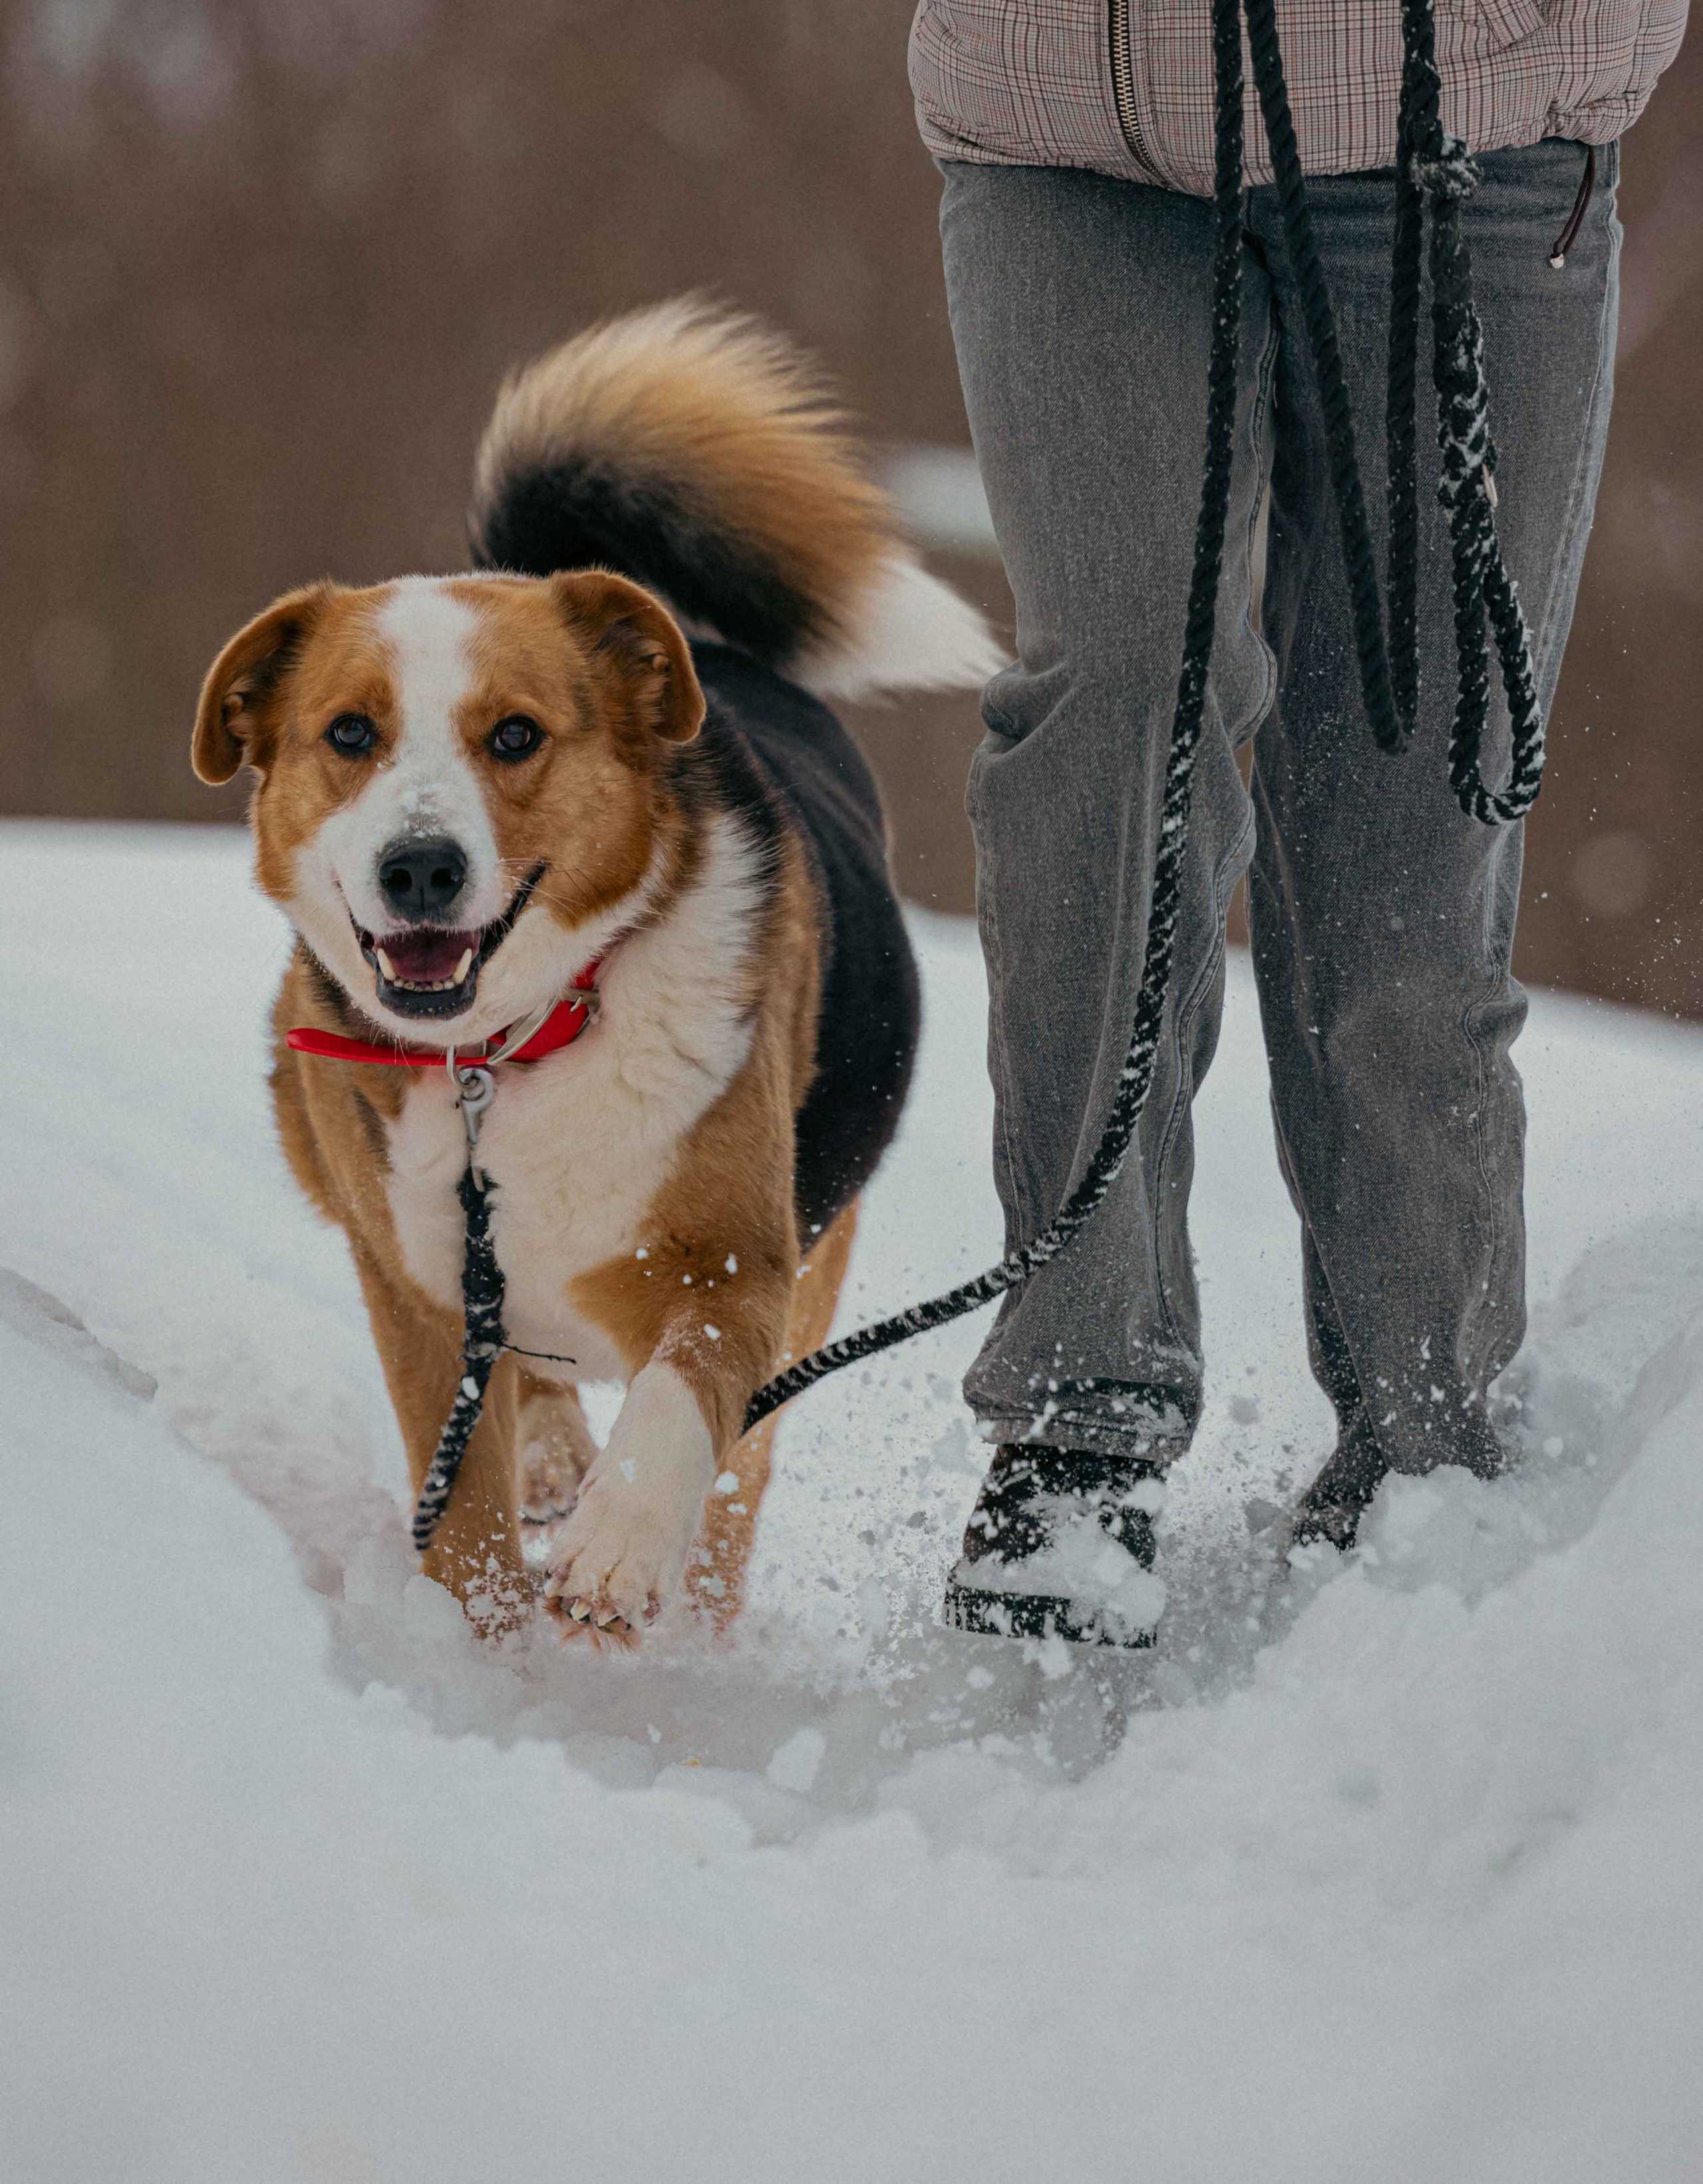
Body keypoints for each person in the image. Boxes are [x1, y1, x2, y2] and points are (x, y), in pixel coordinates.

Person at [912, 0, 1688, 1644]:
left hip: (1470, 113)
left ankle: (1424, 1457)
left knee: (1407, 814)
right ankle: (1073, 1425)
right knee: (1117, 710)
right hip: (1077, 121)